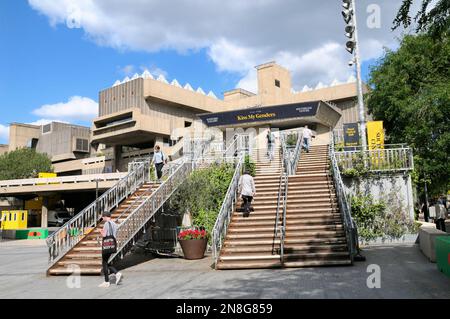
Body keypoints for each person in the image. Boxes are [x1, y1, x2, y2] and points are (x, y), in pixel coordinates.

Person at [98, 212, 122, 288]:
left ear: (105, 217)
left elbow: (104, 235)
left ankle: (107, 281)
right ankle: (116, 273)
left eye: (102, 217)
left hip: (107, 245)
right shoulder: (114, 224)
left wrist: (100, 231)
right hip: (112, 244)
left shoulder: (106, 224)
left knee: (104, 263)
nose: (102, 218)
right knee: (105, 262)